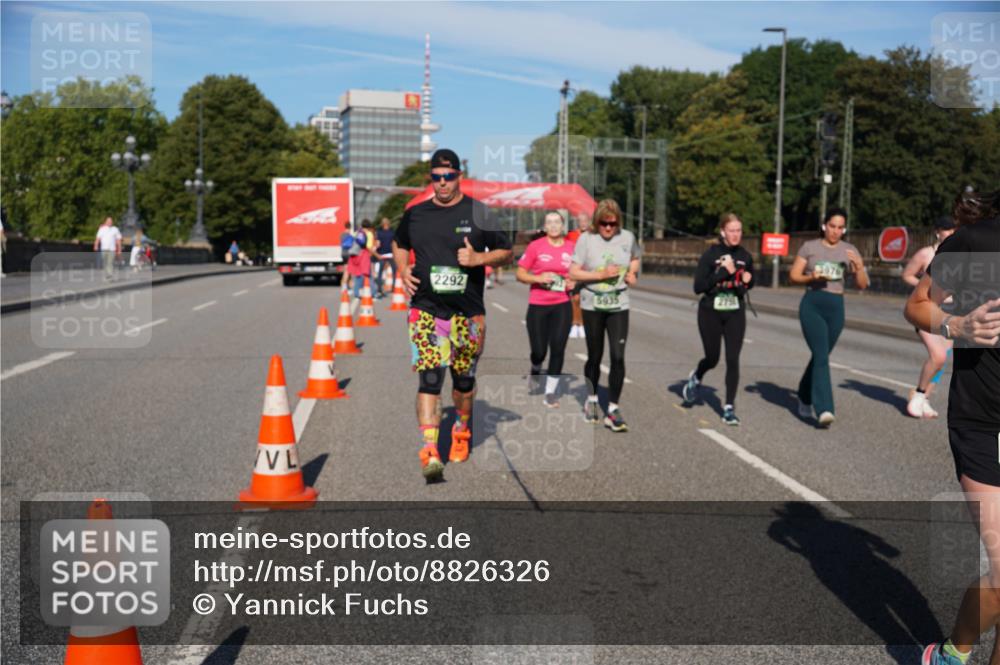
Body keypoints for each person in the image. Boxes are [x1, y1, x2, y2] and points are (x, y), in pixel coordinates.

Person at [904, 190, 1000, 665]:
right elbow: (918, 305)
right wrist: (957, 326)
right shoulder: (975, 242)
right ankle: (951, 655)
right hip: (985, 424)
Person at [393, 149, 512, 481]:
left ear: (460, 176)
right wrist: (403, 269)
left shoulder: (479, 213)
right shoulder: (416, 214)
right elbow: (399, 244)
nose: (442, 183)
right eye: (436, 177)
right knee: (430, 380)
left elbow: (506, 252)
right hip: (425, 310)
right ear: (430, 179)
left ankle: (460, 429)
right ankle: (430, 449)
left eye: (448, 176)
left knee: (463, 383)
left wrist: (477, 260)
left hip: (467, 314)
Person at [788, 208, 869, 428]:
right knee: (822, 356)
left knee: (819, 356)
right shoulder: (810, 247)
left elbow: (862, 284)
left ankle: (804, 396)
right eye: (832, 226)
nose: (835, 231)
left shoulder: (849, 250)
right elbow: (793, 275)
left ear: (844, 229)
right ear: (824, 226)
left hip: (836, 307)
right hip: (812, 303)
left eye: (840, 227)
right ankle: (824, 408)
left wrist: (859, 266)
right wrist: (810, 276)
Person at [568, 199, 640, 433]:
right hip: (592, 304)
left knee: (618, 357)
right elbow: (573, 271)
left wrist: (632, 273)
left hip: (619, 303)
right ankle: (591, 400)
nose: (608, 228)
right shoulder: (586, 239)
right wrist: (599, 275)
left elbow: (635, 257)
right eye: (604, 224)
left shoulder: (628, 237)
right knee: (595, 356)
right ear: (596, 221)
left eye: (613, 224)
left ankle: (613, 408)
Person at [682, 213, 755, 425]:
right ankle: (697, 376)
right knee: (712, 358)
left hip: (735, 312)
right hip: (710, 312)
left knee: (733, 359)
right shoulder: (710, 255)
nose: (736, 235)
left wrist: (747, 281)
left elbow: (746, 286)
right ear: (723, 232)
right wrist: (723, 272)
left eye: (739, 230)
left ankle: (729, 407)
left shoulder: (745, 256)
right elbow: (699, 287)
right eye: (732, 230)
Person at [516, 211, 577, 408]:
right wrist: (538, 279)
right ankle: (536, 366)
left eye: (556, 222)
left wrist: (573, 282)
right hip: (538, 304)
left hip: (561, 304)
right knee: (539, 351)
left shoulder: (572, 248)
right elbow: (520, 273)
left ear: (563, 225)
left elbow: (578, 273)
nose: (553, 226)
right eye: (549, 222)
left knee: (558, 348)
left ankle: (550, 393)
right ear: (544, 226)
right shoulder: (536, 246)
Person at [902, 216, 957, 419]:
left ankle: (925, 398)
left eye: (953, 231)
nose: (950, 234)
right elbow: (907, 274)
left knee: (942, 361)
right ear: (937, 232)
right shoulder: (927, 253)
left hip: (951, 312)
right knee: (938, 356)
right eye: (946, 230)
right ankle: (918, 393)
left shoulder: (957, 255)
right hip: (927, 309)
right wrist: (924, 290)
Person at [567, 212, 589, 339]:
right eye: (581, 221)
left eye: (585, 221)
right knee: (575, 299)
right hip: (575, 269)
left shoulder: (593, 235)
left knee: (584, 300)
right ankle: (575, 324)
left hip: (588, 271)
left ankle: (582, 324)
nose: (583, 223)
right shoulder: (571, 235)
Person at [347, 220, 376, 300]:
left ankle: (356, 294)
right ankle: (373, 294)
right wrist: (376, 254)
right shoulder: (369, 234)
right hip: (364, 255)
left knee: (358, 275)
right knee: (367, 275)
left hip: (355, 255)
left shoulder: (357, 232)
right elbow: (368, 246)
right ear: (369, 226)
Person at [375, 217, 395, 298]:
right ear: (388, 224)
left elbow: (378, 244)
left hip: (382, 254)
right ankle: (394, 288)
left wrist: (376, 252)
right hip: (391, 254)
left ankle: (379, 288)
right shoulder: (392, 232)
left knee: (380, 272)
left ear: (382, 224)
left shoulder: (379, 233)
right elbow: (394, 244)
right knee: (394, 272)